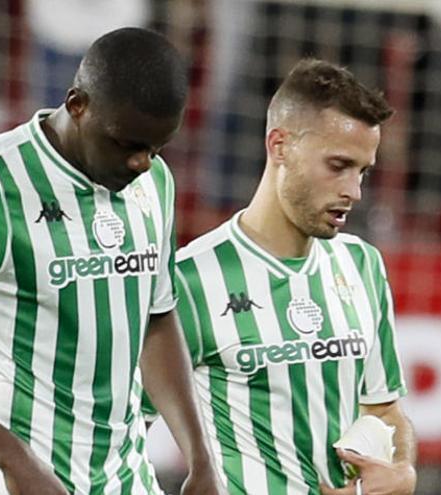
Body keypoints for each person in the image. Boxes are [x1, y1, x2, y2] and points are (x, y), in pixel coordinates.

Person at [0, 27, 221, 495]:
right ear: (77, 104)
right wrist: (13, 459)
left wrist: (199, 456)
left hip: (126, 482)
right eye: (127, 143)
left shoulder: (154, 181)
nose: (142, 162)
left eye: (157, 147)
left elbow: (155, 319)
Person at [168, 59, 417, 494]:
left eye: (363, 171)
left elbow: (384, 410)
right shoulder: (190, 280)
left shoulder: (362, 265)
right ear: (279, 146)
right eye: (338, 165)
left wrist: (401, 471)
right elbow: (124, 426)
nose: (354, 192)